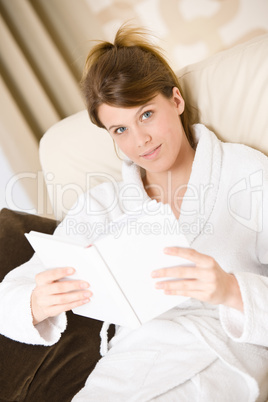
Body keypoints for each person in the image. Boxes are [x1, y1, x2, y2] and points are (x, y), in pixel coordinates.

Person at [0, 24, 268, 401]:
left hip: (220, 358)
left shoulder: (247, 174)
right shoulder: (104, 206)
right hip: (128, 368)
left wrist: (232, 290)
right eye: (120, 129)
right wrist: (35, 302)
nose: (139, 141)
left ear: (175, 100)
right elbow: (10, 293)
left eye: (146, 115)